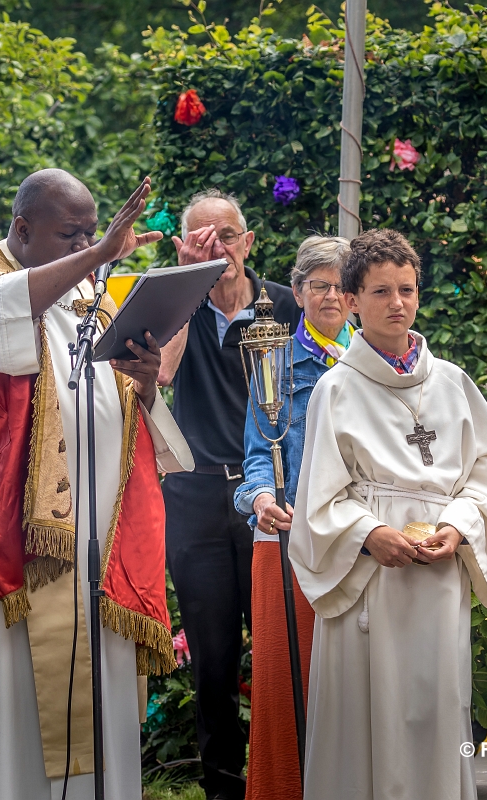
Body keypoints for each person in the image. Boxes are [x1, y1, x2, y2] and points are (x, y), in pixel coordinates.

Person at [0, 169, 193, 800]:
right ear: (21, 229)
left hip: (96, 538)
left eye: (92, 236)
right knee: (13, 689)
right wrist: (95, 259)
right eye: (69, 235)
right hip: (18, 536)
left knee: (96, 690)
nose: (85, 248)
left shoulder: (91, 298)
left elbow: (122, 411)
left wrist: (147, 380)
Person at [289, 229, 487, 800]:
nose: (397, 303)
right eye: (379, 292)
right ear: (351, 301)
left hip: (437, 577)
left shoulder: (452, 383)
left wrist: (460, 525)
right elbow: (317, 500)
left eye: (407, 290)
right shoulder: (335, 389)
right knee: (363, 719)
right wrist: (369, 533)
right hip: (370, 580)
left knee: (436, 709)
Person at [157, 189, 301, 800]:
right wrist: (189, 285)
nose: (220, 247)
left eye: (229, 235)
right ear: (184, 246)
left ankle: (289, 777)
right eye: (202, 237)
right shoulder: (175, 306)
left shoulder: (288, 308)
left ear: (249, 241)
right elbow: (161, 374)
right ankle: (222, 789)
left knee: (279, 645)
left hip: (269, 500)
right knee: (213, 658)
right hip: (194, 498)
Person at [231, 235, 351, 800]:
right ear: (297, 292)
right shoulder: (274, 360)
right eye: (319, 285)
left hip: (359, 543)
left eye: (341, 285)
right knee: (287, 684)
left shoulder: (375, 358)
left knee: (354, 685)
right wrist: (258, 498)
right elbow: (257, 450)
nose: (332, 295)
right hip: (289, 539)